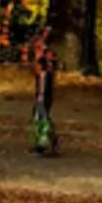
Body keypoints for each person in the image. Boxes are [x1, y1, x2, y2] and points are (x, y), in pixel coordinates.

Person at [28, 25, 59, 156]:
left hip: (44, 91)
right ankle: (43, 143)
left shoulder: (46, 55)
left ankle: (46, 144)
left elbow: (44, 74)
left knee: (42, 116)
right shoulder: (43, 55)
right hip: (42, 90)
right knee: (39, 115)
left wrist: (41, 94)